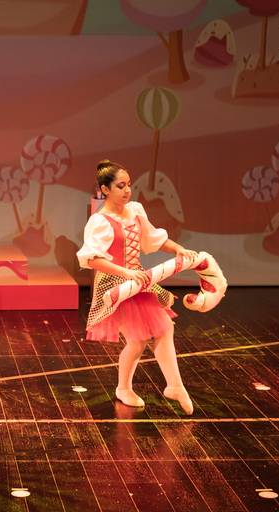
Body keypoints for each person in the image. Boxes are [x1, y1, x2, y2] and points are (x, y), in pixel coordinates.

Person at [77, 160, 196, 414]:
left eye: (129, 185)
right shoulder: (99, 221)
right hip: (115, 283)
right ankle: (124, 388)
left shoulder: (135, 211)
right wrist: (126, 273)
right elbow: (92, 259)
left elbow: (153, 239)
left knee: (163, 328)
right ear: (105, 189)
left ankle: (174, 386)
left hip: (138, 280)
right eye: (120, 186)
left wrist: (178, 249)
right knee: (139, 340)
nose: (127, 190)